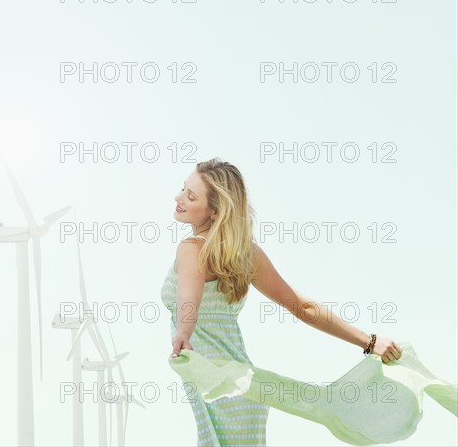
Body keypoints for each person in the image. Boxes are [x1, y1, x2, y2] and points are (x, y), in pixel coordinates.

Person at [160, 157, 403, 446]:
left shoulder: (191, 249)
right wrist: (368, 341)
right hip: (245, 393)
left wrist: (183, 334)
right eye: (182, 189)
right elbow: (301, 306)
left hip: (220, 391)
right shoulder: (245, 254)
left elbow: (190, 300)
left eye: (190, 196)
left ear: (214, 211)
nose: (178, 198)